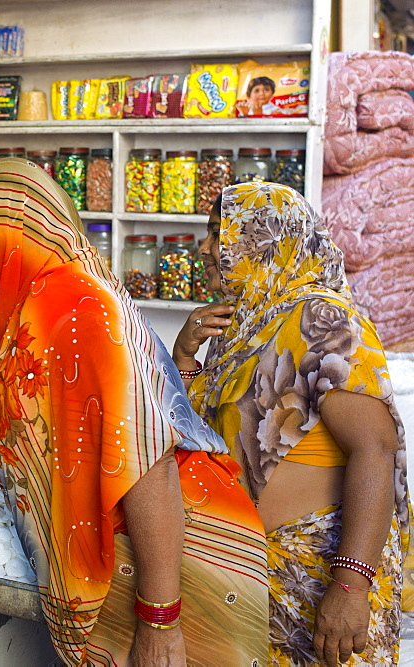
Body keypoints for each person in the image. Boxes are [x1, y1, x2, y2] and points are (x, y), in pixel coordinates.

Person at [0, 158, 269, 664]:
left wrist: (160, 619)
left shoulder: (77, 309)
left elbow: (150, 469)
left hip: (181, 563)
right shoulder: (46, 300)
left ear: (4, 236)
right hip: (154, 559)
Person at [172, 181, 410, 665]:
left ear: (266, 241)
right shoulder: (242, 324)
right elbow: (212, 436)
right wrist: (185, 356)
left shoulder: (323, 318)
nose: (207, 249)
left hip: (319, 579)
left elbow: (376, 450)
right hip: (254, 576)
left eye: (221, 235)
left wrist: (349, 586)